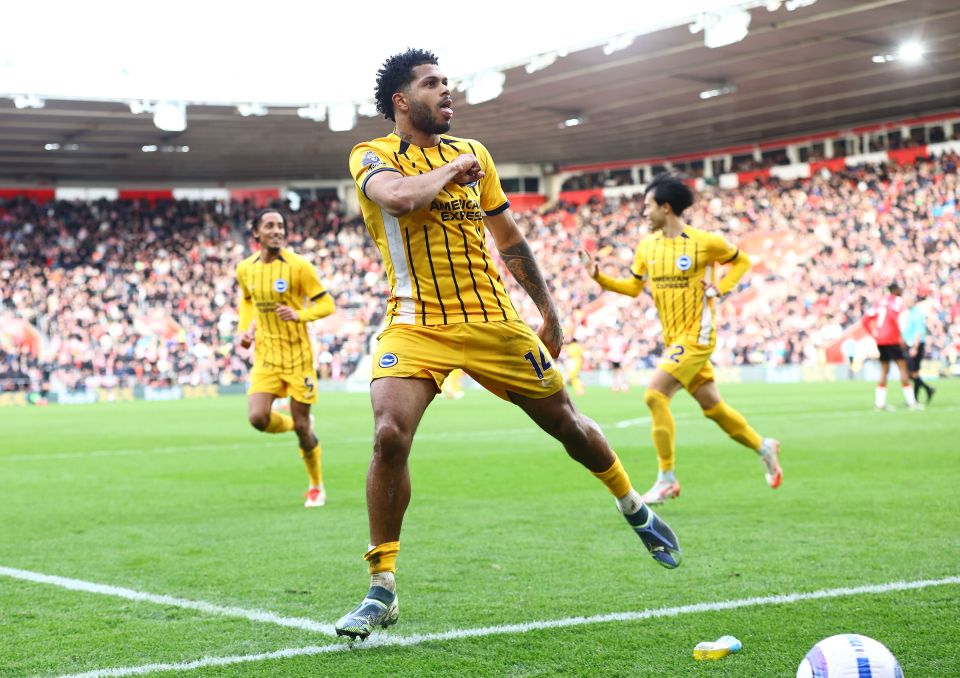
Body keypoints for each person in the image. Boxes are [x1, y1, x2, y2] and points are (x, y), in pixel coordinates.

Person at [334, 48, 681, 641]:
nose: (447, 91)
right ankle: (381, 586)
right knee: (389, 434)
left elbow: (509, 237)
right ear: (401, 101)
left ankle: (632, 505)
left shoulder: (476, 155)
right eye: (432, 84)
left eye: (447, 82)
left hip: (494, 320)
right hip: (416, 320)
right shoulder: (370, 155)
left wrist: (549, 313)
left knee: (568, 424)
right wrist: (448, 174)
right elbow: (397, 198)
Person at [581, 173, 782, 506]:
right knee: (713, 408)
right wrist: (599, 277)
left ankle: (667, 479)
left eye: (648, 206)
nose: (643, 213)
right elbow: (633, 288)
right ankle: (765, 447)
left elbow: (741, 261)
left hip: (698, 337)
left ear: (666, 207)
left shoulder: (705, 242)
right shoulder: (648, 246)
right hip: (673, 339)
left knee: (655, 395)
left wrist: (723, 287)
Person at [236, 208, 336, 507]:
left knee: (304, 428)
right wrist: (244, 331)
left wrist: (300, 314)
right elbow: (247, 301)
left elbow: (327, 304)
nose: (277, 230)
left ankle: (316, 485)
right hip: (265, 355)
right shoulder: (245, 269)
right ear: (256, 233)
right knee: (257, 417)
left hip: (298, 357)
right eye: (269, 226)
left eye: (280, 226)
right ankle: (295, 424)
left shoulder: (299, 267)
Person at [863, 281, 921, 411]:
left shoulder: (880, 303)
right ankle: (911, 402)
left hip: (880, 340)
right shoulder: (897, 302)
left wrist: (873, 334)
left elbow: (865, 319)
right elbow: (896, 318)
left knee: (884, 370)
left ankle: (879, 403)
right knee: (902, 368)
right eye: (899, 289)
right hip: (892, 339)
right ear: (895, 290)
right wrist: (900, 336)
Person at [902, 286, 935, 405]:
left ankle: (915, 398)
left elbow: (919, 331)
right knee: (911, 373)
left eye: (906, 300)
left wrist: (915, 347)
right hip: (910, 345)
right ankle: (927, 390)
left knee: (913, 373)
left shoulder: (917, 313)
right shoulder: (910, 312)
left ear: (912, 301)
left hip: (916, 345)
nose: (905, 303)